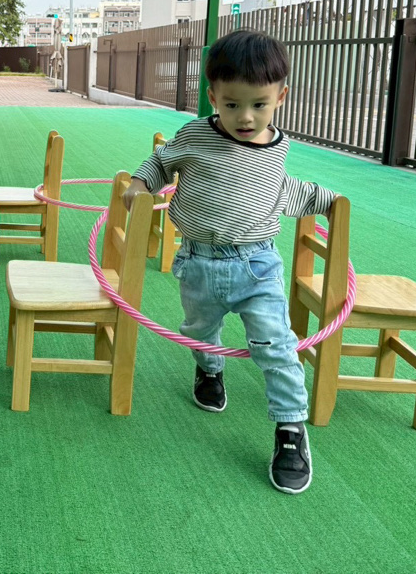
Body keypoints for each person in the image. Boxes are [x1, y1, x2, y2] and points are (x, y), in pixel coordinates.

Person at [123, 29, 337, 495]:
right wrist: (140, 186)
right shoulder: (195, 134)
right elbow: (160, 163)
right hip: (198, 260)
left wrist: (329, 203)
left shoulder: (277, 146)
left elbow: (282, 190)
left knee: (276, 345)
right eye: (232, 104)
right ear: (213, 96)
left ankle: (290, 428)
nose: (246, 117)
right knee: (200, 330)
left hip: (257, 265)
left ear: (281, 97)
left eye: (259, 104)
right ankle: (210, 369)